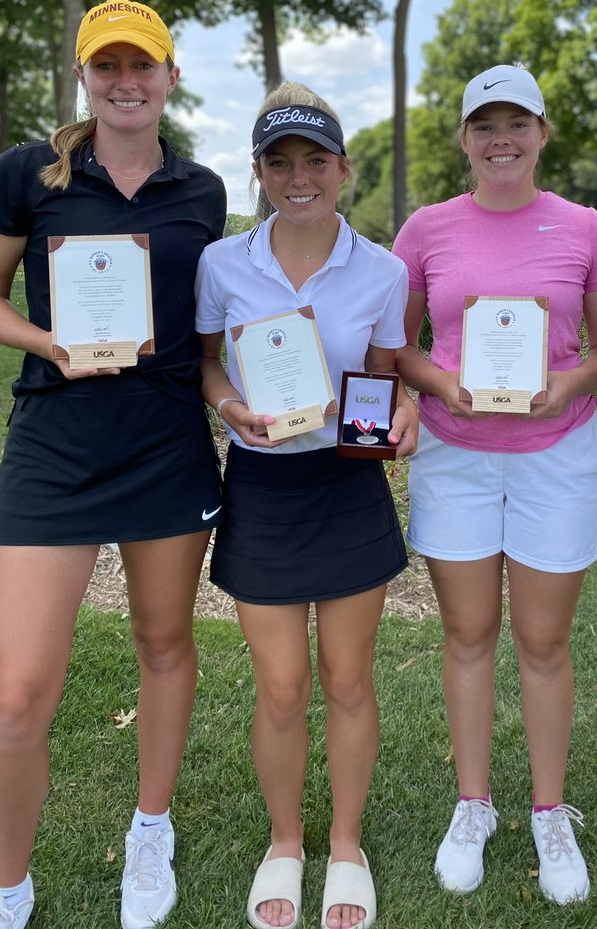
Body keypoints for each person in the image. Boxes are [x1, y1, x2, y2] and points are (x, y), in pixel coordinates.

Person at [0, 0, 227, 929]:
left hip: (164, 444)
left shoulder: (202, 190)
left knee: (164, 646)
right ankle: (6, 887)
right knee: (18, 690)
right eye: (107, 66)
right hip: (56, 444)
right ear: (84, 74)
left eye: (141, 65)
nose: (126, 81)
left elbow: (204, 332)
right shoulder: (24, 174)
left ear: (169, 77)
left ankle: (149, 830)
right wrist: (49, 342)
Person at [391, 65, 597, 904]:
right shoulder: (426, 229)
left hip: (555, 452)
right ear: (463, 138)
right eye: (484, 125)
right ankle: (473, 803)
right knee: (467, 635)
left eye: (517, 123)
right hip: (455, 452)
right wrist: (436, 381)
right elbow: (400, 341)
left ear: (541, 132)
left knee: (543, 642)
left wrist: (566, 385)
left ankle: (550, 810)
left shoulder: (588, 229)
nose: (502, 139)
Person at [195, 81, 417, 929]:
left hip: (346, 483)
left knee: (348, 678)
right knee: (283, 687)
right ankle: (286, 840)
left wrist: (405, 417)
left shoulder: (383, 270)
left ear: (342, 169)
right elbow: (208, 361)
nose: (299, 177)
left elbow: (391, 376)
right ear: (258, 173)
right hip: (263, 483)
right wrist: (227, 405)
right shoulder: (224, 264)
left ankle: (347, 846)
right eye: (280, 162)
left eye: (315, 161)